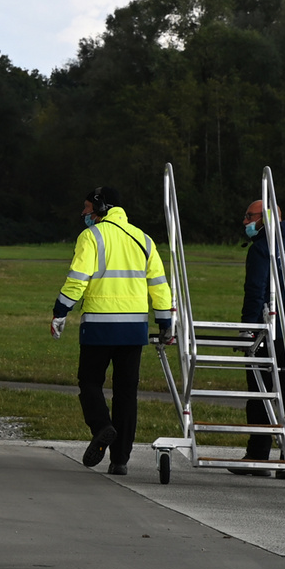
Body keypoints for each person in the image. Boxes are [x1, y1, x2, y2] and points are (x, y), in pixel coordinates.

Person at [50, 186, 173, 475]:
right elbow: (159, 285)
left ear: (101, 207)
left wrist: (60, 310)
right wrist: (165, 322)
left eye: (87, 209)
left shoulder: (91, 237)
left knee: (90, 382)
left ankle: (102, 426)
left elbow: (78, 279)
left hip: (99, 326)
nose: (83, 214)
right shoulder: (144, 239)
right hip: (134, 329)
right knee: (126, 392)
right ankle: (120, 460)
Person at [235, 199, 285, 477]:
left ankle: (258, 454)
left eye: (249, 216)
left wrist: (247, 330)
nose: (245, 222)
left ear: (265, 218)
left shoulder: (262, 250)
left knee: (260, 392)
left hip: (269, 332)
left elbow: (255, 292)